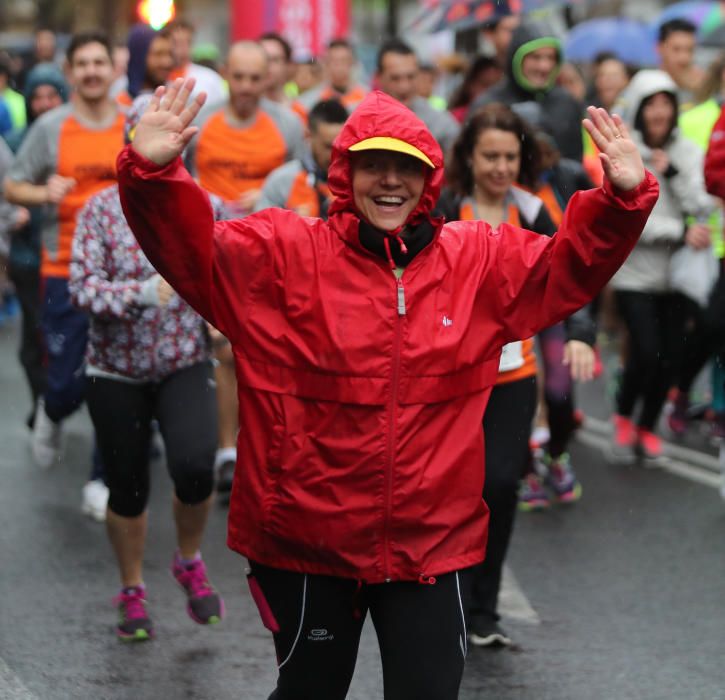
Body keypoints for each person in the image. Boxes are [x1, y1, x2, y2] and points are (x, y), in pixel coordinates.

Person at [117, 78, 656, 698]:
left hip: (430, 544)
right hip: (305, 542)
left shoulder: (478, 259)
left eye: (407, 167)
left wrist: (619, 199)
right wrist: (152, 177)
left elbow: (569, 265)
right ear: (345, 175)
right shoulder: (284, 253)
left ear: (431, 179)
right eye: (373, 166)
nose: (391, 182)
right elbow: (191, 253)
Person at [69, 95, 224, 641]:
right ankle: (132, 588)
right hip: (116, 370)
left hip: (183, 361)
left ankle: (187, 559)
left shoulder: (207, 204)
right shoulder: (99, 210)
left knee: (196, 466)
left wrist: (223, 320)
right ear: (129, 141)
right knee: (128, 488)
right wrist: (138, 293)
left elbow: (232, 274)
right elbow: (82, 290)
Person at [437, 104, 555, 646]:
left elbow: (567, 278)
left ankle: (483, 610)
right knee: (451, 491)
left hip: (512, 375)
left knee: (500, 485)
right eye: (490, 156)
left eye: (510, 156)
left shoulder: (532, 213)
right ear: (468, 156)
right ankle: (444, 600)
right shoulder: (443, 209)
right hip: (449, 378)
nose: (501, 167)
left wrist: (573, 336)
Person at [4, 31, 125, 520]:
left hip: (122, 274)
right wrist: (41, 193)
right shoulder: (51, 127)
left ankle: (100, 478)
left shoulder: (131, 125)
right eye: (84, 64)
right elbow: (11, 186)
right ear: (71, 72)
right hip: (64, 269)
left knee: (112, 381)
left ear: (111, 70)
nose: (93, 70)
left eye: (101, 61)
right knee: (69, 384)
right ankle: (53, 412)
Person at [186, 40, 305, 492]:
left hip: (273, 252)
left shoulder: (288, 124)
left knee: (271, 351)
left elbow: (300, 179)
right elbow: (183, 172)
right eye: (240, 77)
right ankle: (228, 451)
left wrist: (267, 196)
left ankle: (270, 448)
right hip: (217, 246)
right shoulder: (204, 119)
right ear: (227, 74)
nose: (249, 87)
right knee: (223, 348)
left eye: (257, 78)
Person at [608, 69, 716, 462]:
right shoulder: (625, 149)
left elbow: (703, 204)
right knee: (645, 352)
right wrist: (678, 230)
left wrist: (672, 173)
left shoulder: (685, 149)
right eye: (651, 103)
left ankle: (646, 426)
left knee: (670, 357)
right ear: (638, 108)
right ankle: (622, 415)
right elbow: (627, 215)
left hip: (678, 276)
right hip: (635, 274)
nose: (659, 112)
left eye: (666, 103)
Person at [5, 63, 68, 428]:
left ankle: (60, 400)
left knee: (66, 334)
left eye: (52, 95)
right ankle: (44, 405)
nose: (44, 104)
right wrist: (13, 212)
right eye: (37, 97)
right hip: (28, 255)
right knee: (35, 338)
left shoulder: (72, 136)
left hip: (67, 252)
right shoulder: (14, 142)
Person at [470, 19, 584, 163]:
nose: (544, 66)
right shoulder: (488, 105)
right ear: (517, 58)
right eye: (535, 57)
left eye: (550, 57)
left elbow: (576, 163)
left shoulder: (567, 102)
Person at [255, 98, 347, 218]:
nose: (335, 154)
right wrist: (291, 224)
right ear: (308, 135)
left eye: (341, 146)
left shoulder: (358, 182)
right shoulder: (281, 181)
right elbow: (261, 229)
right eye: (328, 147)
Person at [376, 38, 460, 157]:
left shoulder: (441, 123)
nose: (404, 87)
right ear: (379, 78)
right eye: (395, 78)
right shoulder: (359, 118)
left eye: (410, 77)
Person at [295, 39, 367, 117]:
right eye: (334, 61)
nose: (339, 66)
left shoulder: (365, 99)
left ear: (352, 63)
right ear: (326, 64)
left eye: (343, 60)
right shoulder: (310, 101)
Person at [167, 18, 226, 105]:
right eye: (177, 43)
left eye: (188, 42)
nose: (183, 48)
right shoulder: (157, 80)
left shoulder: (210, 78)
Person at [115, 24, 174, 106]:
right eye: (158, 54)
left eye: (170, 54)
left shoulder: (177, 98)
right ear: (139, 57)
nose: (167, 62)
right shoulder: (116, 101)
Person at [657, 18, 704, 112]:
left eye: (690, 50)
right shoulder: (648, 85)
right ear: (660, 48)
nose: (684, 58)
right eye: (676, 49)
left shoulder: (704, 85)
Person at [447, 55, 502, 123]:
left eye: (497, 85)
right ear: (470, 85)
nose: (491, 92)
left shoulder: (508, 119)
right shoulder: (453, 120)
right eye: (485, 84)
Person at [259, 32, 296, 108]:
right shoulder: (242, 111)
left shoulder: (299, 112)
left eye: (274, 60)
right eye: (262, 59)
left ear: (288, 65)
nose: (267, 65)